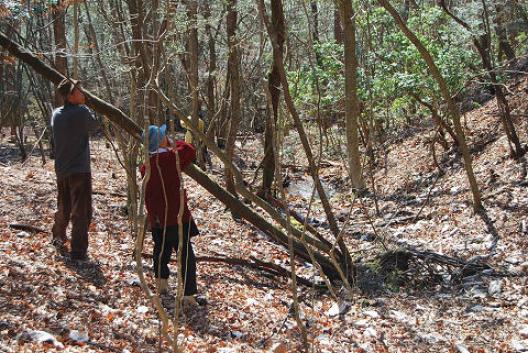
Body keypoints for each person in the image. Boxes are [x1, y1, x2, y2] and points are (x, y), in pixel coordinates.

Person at [140, 124, 202, 306]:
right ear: (161, 140)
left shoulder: (146, 166)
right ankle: (189, 294)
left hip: (158, 219)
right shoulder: (171, 158)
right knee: (186, 255)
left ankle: (161, 284)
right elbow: (190, 150)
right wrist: (174, 144)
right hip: (176, 217)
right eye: (164, 135)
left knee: (161, 251)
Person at [51, 78, 98, 260]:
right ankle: (78, 252)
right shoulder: (82, 112)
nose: (83, 92)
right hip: (79, 170)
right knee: (82, 212)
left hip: (62, 169)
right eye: (79, 90)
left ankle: (58, 236)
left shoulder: (56, 114)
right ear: (70, 96)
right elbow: (95, 126)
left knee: (64, 206)